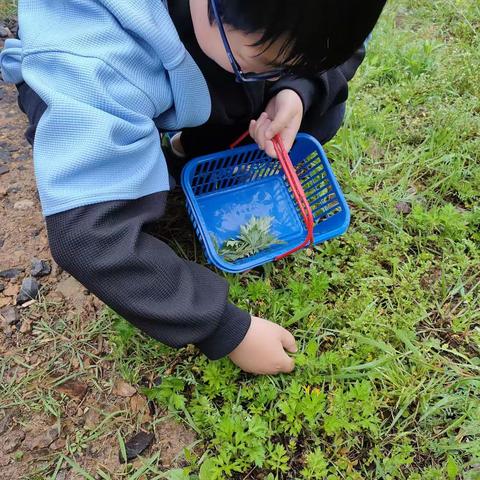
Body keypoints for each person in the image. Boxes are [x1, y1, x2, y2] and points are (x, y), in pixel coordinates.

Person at [0, 0, 386, 375]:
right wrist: (228, 329)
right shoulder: (93, 60)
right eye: (265, 66)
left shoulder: (256, 27)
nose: (274, 76)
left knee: (319, 105)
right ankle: (147, 147)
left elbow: (329, 46)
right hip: (85, 74)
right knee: (110, 181)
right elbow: (86, 237)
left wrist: (296, 89)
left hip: (193, 43)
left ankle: (189, 146)